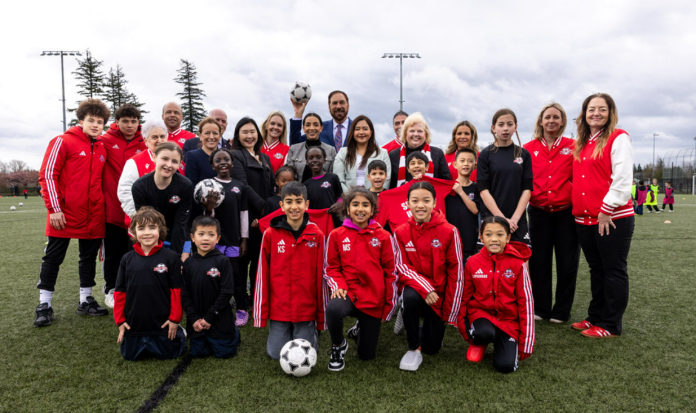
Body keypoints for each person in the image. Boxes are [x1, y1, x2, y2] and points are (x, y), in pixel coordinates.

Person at [35, 99, 111, 327]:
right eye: (91, 120)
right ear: (81, 121)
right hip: (64, 214)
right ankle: (44, 304)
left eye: (100, 122)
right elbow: (48, 175)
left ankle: (85, 300)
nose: (96, 125)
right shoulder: (62, 141)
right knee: (53, 258)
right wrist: (54, 209)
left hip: (94, 215)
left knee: (88, 258)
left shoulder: (102, 147)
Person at [571, 93, 634, 339]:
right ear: (584, 114)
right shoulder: (582, 142)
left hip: (611, 217)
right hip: (585, 218)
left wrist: (607, 209)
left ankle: (610, 324)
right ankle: (595, 316)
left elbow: (622, 177)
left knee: (613, 269)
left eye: (602, 109)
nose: (596, 113)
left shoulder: (619, 137)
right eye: (591, 109)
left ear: (610, 113)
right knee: (596, 269)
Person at [392, 181, 464, 371]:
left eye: (426, 200)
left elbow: (456, 274)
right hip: (416, 290)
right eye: (415, 201)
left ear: (434, 203)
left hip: (438, 297)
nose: (420, 205)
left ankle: (412, 320)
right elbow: (401, 267)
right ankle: (413, 346)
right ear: (408, 203)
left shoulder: (450, 231)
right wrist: (426, 288)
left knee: (432, 348)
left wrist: (450, 312)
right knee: (409, 296)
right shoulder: (400, 232)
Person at [325, 187, 397, 371]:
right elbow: (331, 267)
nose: (360, 209)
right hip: (348, 293)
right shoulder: (336, 235)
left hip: (373, 299)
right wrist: (338, 285)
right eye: (355, 204)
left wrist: (388, 308)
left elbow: (391, 273)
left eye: (365, 205)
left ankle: (359, 329)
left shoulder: (384, 237)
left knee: (366, 355)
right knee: (333, 308)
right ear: (347, 209)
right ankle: (338, 345)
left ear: (372, 210)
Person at [253, 182, 326, 360]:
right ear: (282, 205)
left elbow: (321, 276)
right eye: (289, 202)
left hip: (306, 306)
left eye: (298, 201)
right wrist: (260, 313)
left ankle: (311, 332)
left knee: (306, 353)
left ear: (306, 205)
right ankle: (283, 332)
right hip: (280, 307)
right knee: (275, 354)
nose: (294, 207)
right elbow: (262, 273)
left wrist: (321, 314)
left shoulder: (316, 235)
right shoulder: (270, 234)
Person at [523, 103, 580, 324]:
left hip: (566, 213)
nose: (551, 121)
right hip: (538, 213)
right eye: (547, 117)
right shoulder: (527, 148)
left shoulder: (573, 146)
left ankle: (561, 311)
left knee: (567, 262)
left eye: (556, 117)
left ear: (563, 121)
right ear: (541, 120)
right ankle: (541, 308)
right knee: (539, 262)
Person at [457, 217, 534, 373]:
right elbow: (464, 298)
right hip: (481, 314)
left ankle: (500, 339)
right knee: (483, 332)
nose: (494, 239)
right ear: (481, 237)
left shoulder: (518, 264)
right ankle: (481, 341)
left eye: (500, 234)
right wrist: (465, 331)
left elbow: (526, 303)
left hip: (508, 320)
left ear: (508, 237)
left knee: (505, 367)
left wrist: (526, 342)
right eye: (488, 234)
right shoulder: (472, 262)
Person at [114, 207, 186, 361]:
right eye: (141, 228)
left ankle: (178, 330)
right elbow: (119, 292)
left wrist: (175, 319)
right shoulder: (126, 259)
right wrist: (120, 321)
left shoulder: (171, 257)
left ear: (160, 230)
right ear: (133, 232)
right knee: (130, 356)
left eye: (152, 227)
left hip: (162, 323)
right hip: (135, 323)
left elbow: (176, 290)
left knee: (171, 354)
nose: (147, 232)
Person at [100, 104, 147, 308]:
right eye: (125, 121)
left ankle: (132, 288)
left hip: (137, 210)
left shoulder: (144, 142)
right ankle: (111, 288)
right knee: (112, 251)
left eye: (133, 121)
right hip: (112, 207)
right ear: (117, 122)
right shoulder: (105, 140)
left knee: (134, 251)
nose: (129, 125)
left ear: (138, 123)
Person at [198, 148, 249, 326]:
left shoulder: (239, 186)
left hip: (234, 240)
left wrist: (244, 239)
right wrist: (209, 208)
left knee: (235, 275)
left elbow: (244, 214)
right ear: (212, 166)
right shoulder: (207, 186)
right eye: (218, 161)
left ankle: (242, 309)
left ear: (232, 163)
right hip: (215, 241)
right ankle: (215, 309)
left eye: (226, 159)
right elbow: (205, 219)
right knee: (213, 274)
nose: (223, 163)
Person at [230, 117, 275, 314]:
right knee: (242, 258)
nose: (249, 136)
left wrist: (271, 208)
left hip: (264, 217)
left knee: (259, 258)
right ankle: (242, 300)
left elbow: (272, 186)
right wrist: (263, 206)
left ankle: (258, 296)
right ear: (238, 135)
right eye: (245, 132)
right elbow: (243, 185)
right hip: (245, 214)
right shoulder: (236, 155)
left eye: (252, 131)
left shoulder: (264, 158)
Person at [181, 215, 240, 358]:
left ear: (218, 238)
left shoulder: (223, 261)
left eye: (211, 235)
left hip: (218, 319)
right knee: (198, 353)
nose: (206, 238)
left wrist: (209, 317)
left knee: (225, 354)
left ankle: (234, 331)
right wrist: (193, 318)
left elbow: (227, 292)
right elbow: (184, 293)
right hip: (197, 322)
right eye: (201, 234)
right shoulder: (188, 263)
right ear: (192, 237)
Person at [477, 109, 533, 246]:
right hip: (492, 218)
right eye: (501, 124)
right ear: (493, 128)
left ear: (516, 127)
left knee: (520, 258)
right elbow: (483, 190)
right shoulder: (485, 155)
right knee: (492, 258)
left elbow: (527, 190)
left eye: (510, 124)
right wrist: (502, 219)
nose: (505, 128)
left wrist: (514, 219)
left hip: (516, 221)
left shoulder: (524, 154)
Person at [131, 142, 193, 257]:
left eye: (174, 161)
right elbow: (146, 222)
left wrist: (176, 256)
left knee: (180, 265)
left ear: (179, 164)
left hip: (179, 235)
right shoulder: (140, 186)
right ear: (154, 157)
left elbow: (181, 223)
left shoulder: (185, 185)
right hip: (152, 235)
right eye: (165, 159)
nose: (169, 165)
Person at [118, 119, 174, 224]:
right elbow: (125, 192)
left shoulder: (176, 161)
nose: (159, 140)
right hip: (142, 225)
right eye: (154, 137)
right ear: (145, 140)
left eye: (162, 136)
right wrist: (140, 217)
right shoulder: (134, 162)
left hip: (170, 224)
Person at [388, 112, 450, 188]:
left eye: (420, 131)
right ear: (405, 133)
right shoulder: (393, 155)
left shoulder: (437, 153)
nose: (416, 134)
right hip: (401, 195)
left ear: (425, 134)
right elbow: (390, 185)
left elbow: (445, 182)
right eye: (412, 131)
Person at [333, 115, 391, 193]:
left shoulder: (382, 153)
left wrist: (373, 197)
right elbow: (338, 180)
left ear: (371, 132)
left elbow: (387, 179)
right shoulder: (342, 153)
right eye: (357, 129)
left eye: (365, 129)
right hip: (348, 198)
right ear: (352, 132)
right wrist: (351, 197)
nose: (361, 132)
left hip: (375, 198)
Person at [445, 148, 480, 261]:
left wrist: (461, 192)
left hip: (469, 240)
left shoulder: (477, 187)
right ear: (455, 164)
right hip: (449, 240)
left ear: (475, 165)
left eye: (470, 161)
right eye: (462, 160)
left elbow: (475, 210)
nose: (466, 164)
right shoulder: (447, 187)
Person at [286, 113, 337, 181]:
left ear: (321, 128)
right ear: (303, 128)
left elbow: (332, 177)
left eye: (316, 125)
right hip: (298, 187)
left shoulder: (331, 150)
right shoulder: (294, 149)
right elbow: (290, 177)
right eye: (308, 125)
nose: (312, 128)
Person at [304, 146, 343, 228]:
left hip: (333, 220)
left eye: (318, 157)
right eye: (311, 158)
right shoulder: (306, 184)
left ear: (325, 160)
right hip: (316, 223)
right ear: (307, 161)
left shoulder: (332, 177)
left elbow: (341, 196)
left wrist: (339, 203)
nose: (314, 160)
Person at [185, 117, 223, 189]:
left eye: (215, 133)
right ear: (200, 135)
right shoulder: (192, 156)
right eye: (207, 133)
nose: (211, 137)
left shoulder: (226, 156)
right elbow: (191, 185)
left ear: (220, 136)